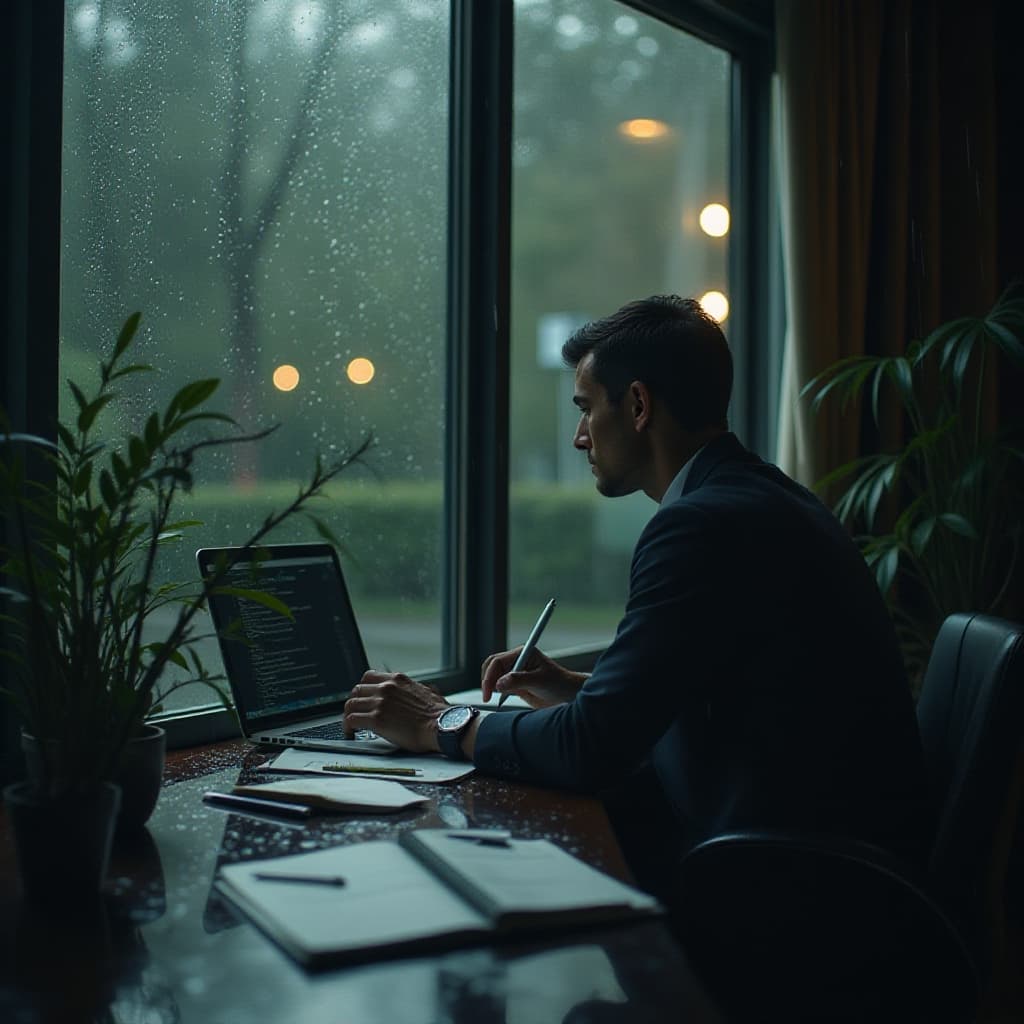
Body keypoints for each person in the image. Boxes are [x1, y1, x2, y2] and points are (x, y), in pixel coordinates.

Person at [343, 294, 933, 895]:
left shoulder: (698, 526)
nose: (579, 437)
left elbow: (589, 749)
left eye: (586, 408)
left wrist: (440, 722)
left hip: (793, 888)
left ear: (638, 405)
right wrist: (578, 690)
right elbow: (719, 701)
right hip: (839, 857)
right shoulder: (767, 497)